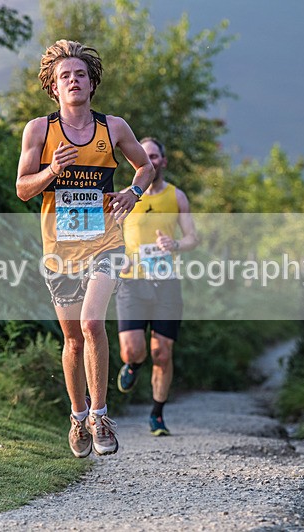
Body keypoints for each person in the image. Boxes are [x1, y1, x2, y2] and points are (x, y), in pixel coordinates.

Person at [16, 40, 153, 457]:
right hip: (60, 249)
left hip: (105, 242)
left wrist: (132, 191)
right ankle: (77, 418)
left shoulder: (114, 127)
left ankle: (100, 414)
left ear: (91, 84)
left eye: (79, 74)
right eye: (64, 76)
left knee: (93, 324)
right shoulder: (39, 130)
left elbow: (144, 166)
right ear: (53, 88)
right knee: (73, 338)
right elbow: (22, 189)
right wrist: (52, 170)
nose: (72, 81)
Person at [115, 137, 198, 436]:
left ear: (163, 161)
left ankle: (157, 415)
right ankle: (134, 366)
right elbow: (110, 234)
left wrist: (175, 243)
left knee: (162, 353)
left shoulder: (177, 197)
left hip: (166, 283)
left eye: (154, 156)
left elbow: (192, 237)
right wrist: (117, 257)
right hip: (131, 282)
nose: (149, 160)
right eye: (144, 155)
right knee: (132, 350)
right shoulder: (126, 196)